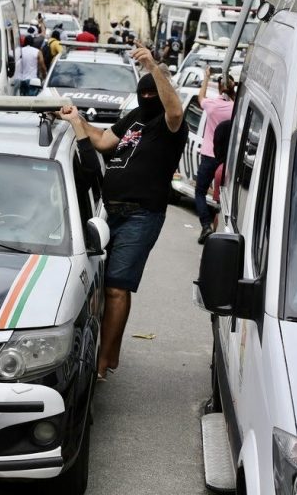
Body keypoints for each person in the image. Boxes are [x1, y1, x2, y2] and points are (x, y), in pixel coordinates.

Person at [56, 41, 188, 380]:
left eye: (152, 94)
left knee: (117, 287)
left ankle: (104, 361)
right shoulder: (135, 118)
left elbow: (174, 110)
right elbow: (102, 141)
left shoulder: (171, 126)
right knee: (100, 286)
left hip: (141, 215)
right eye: (142, 94)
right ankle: (102, 349)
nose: (147, 99)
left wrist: (153, 67)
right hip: (108, 212)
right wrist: (76, 120)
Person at [195, 68, 235, 243]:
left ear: (219, 89)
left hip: (209, 156)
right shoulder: (236, 108)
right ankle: (216, 233)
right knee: (220, 196)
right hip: (226, 159)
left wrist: (206, 77)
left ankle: (206, 225)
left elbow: (200, 97)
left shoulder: (211, 105)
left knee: (200, 192)